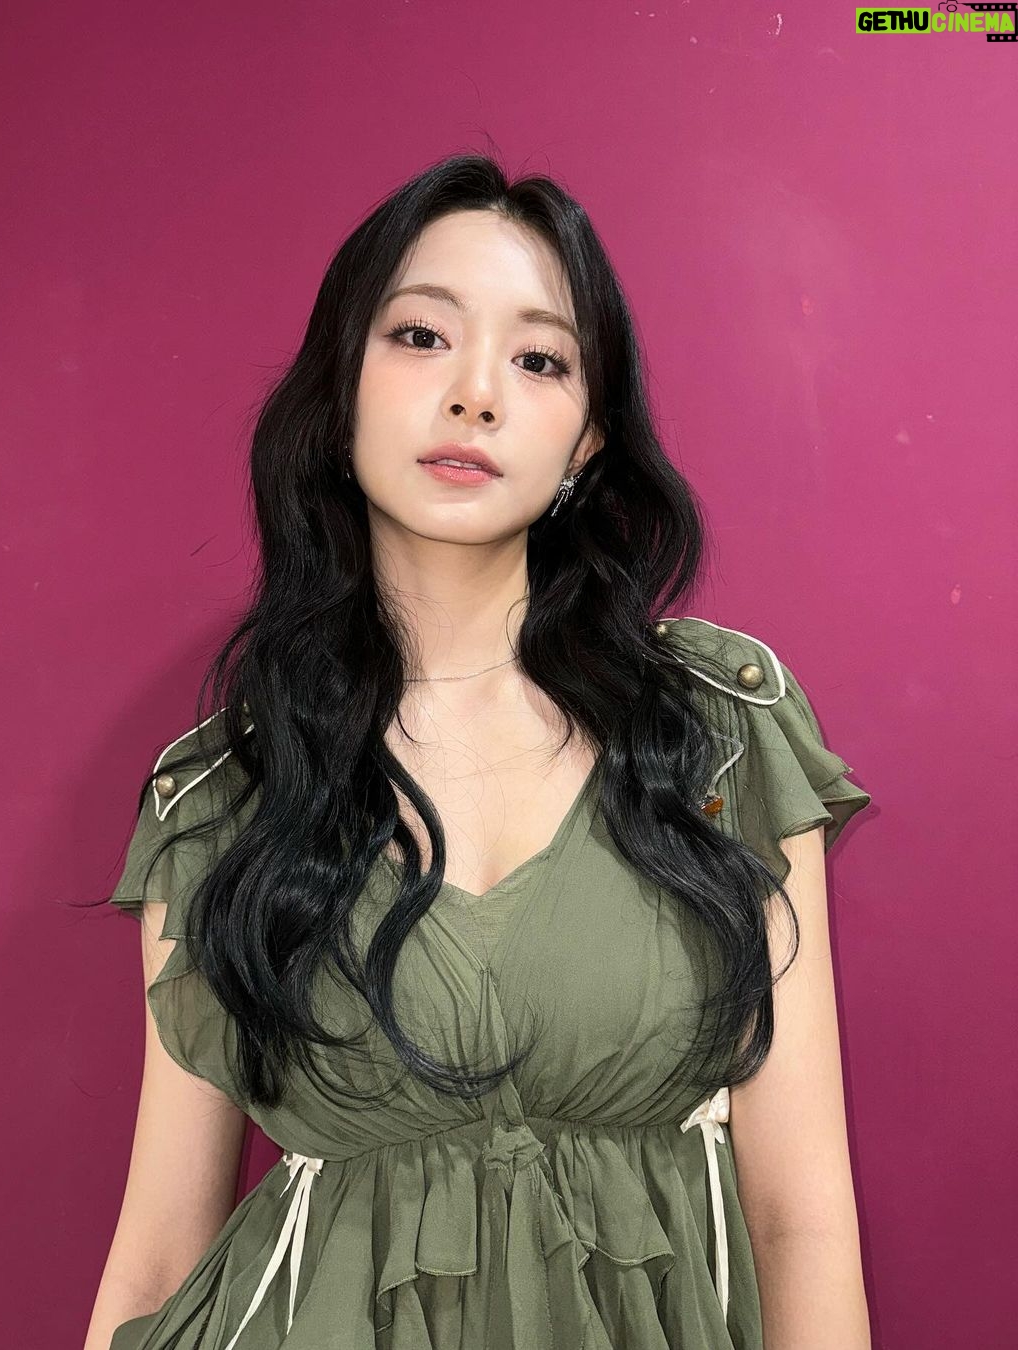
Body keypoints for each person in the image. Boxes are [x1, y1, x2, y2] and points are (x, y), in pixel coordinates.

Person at [86, 152, 874, 1350]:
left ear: (589, 439)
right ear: (339, 388)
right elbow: (157, 1251)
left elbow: (801, 1219)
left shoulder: (714, 732)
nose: (475, 395)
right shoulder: (227, 794)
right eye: (421, 337)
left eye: (539, 359)